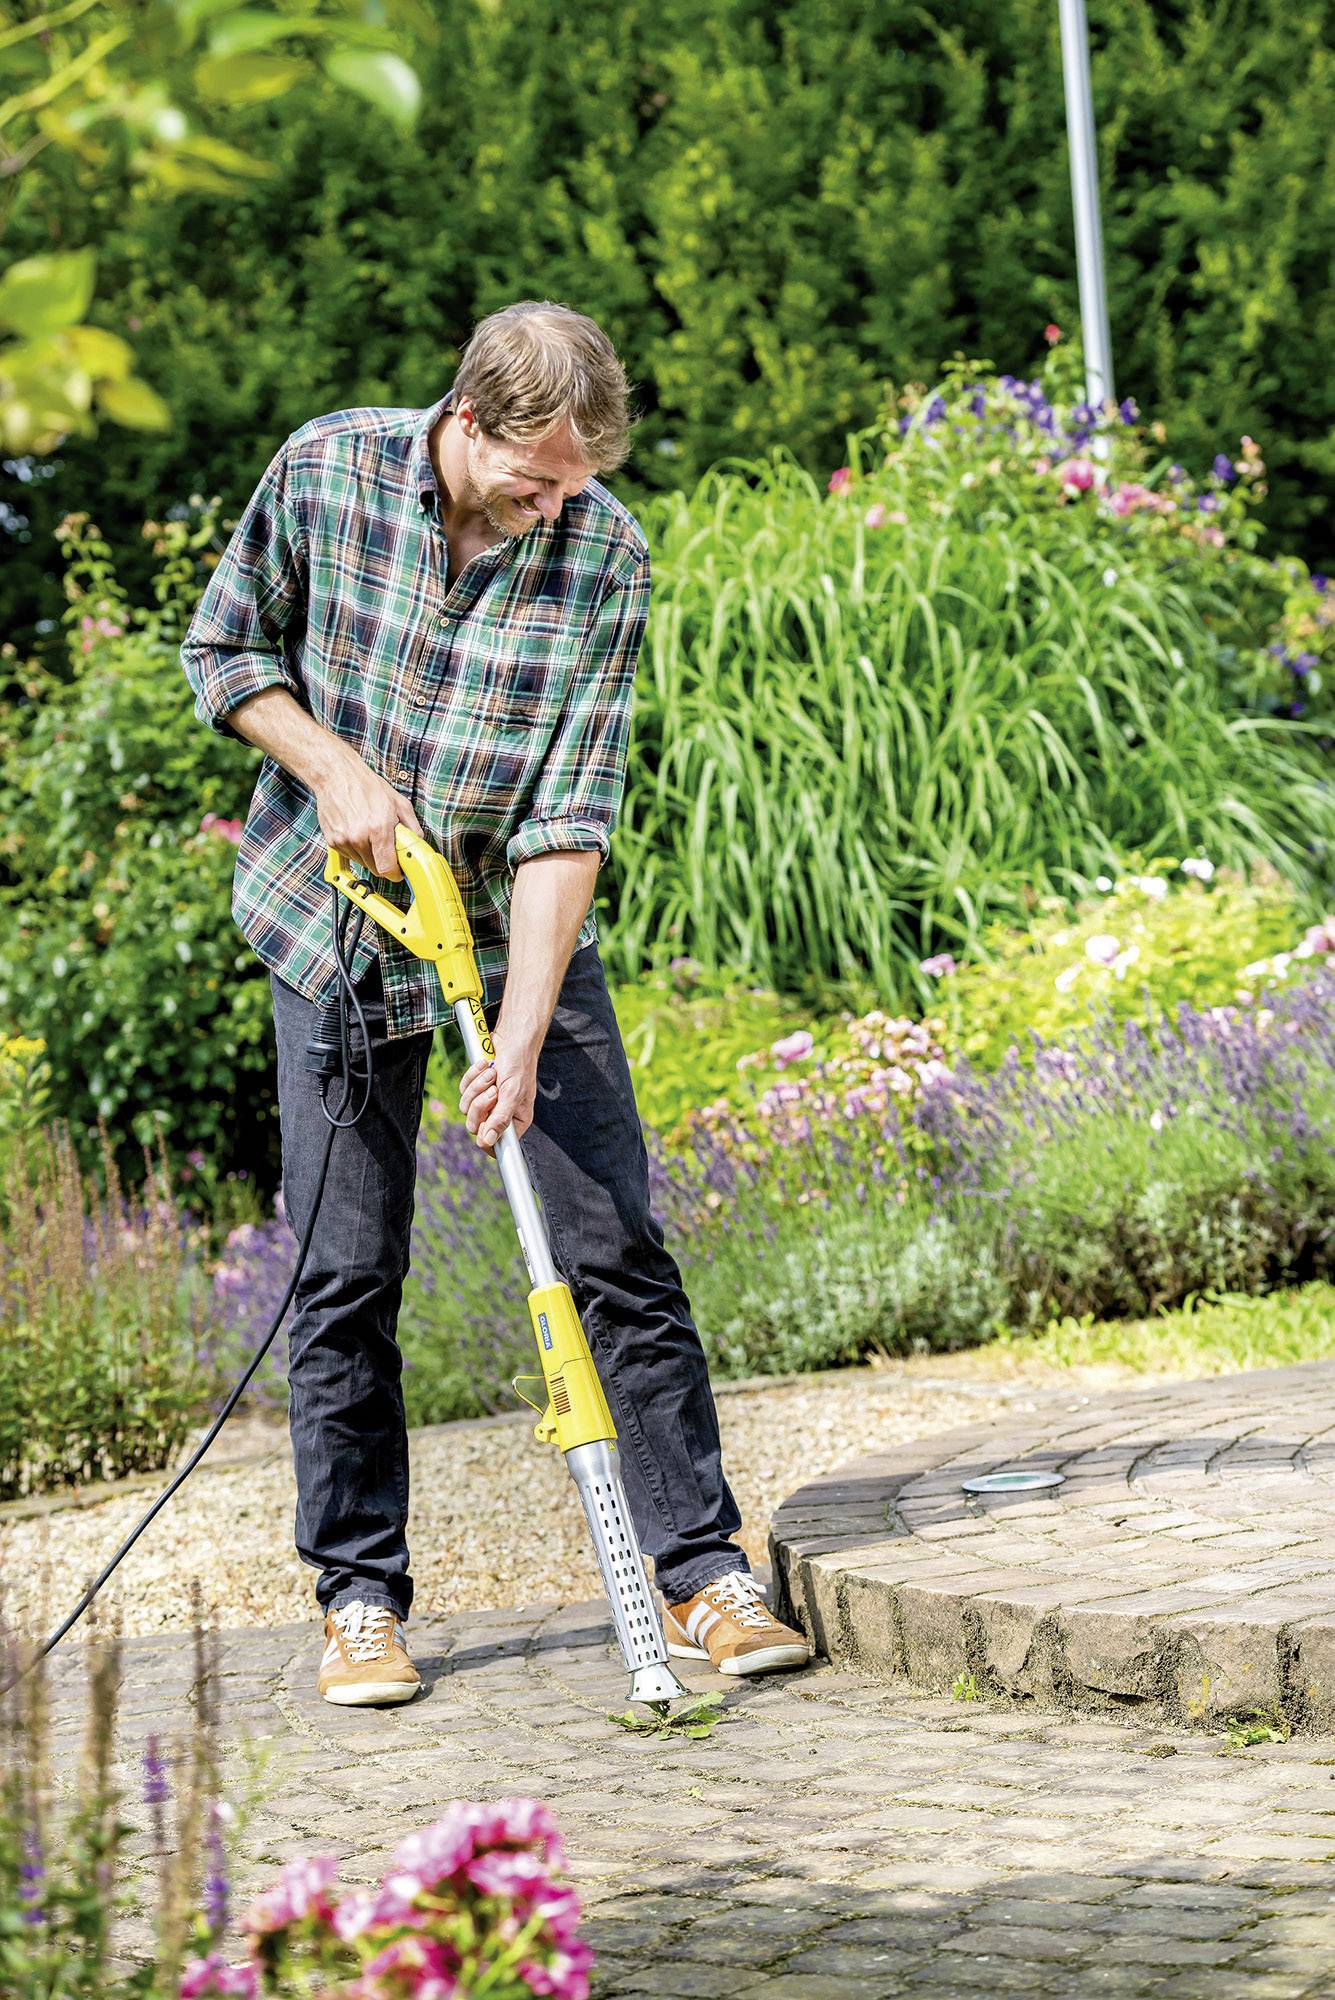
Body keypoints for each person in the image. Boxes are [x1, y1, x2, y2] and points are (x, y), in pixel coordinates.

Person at [180, 299, 810, 1705]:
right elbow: (224, 654)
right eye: (535, 481)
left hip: (516, 929)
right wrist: (332, 767)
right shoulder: (328, 472)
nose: (554, 510)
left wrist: (520, 1033)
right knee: (346, 1275)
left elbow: (569, 817)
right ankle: (358, 1598)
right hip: (336, 928)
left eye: (575, 485)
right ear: (468, 420)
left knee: (615, 1249)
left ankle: (700, 1572)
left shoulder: (604, 555)